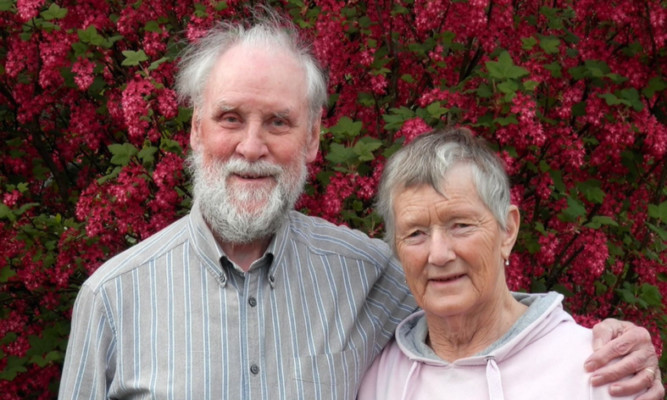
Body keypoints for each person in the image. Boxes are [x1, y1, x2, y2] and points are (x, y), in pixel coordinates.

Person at [58, 8, 663, 400]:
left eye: (278, 121)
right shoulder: (113, 299)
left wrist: (602, 341)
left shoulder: (370, 271)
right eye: (230, 118)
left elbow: (475, 299)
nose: (252, 146)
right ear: (193, 130)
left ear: (313, 138)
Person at [358, 127, 662, 399]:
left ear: (508, 230)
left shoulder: (598, 369)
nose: (438, 254)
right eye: (415, 233)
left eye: (461, 225)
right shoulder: (375, 377)